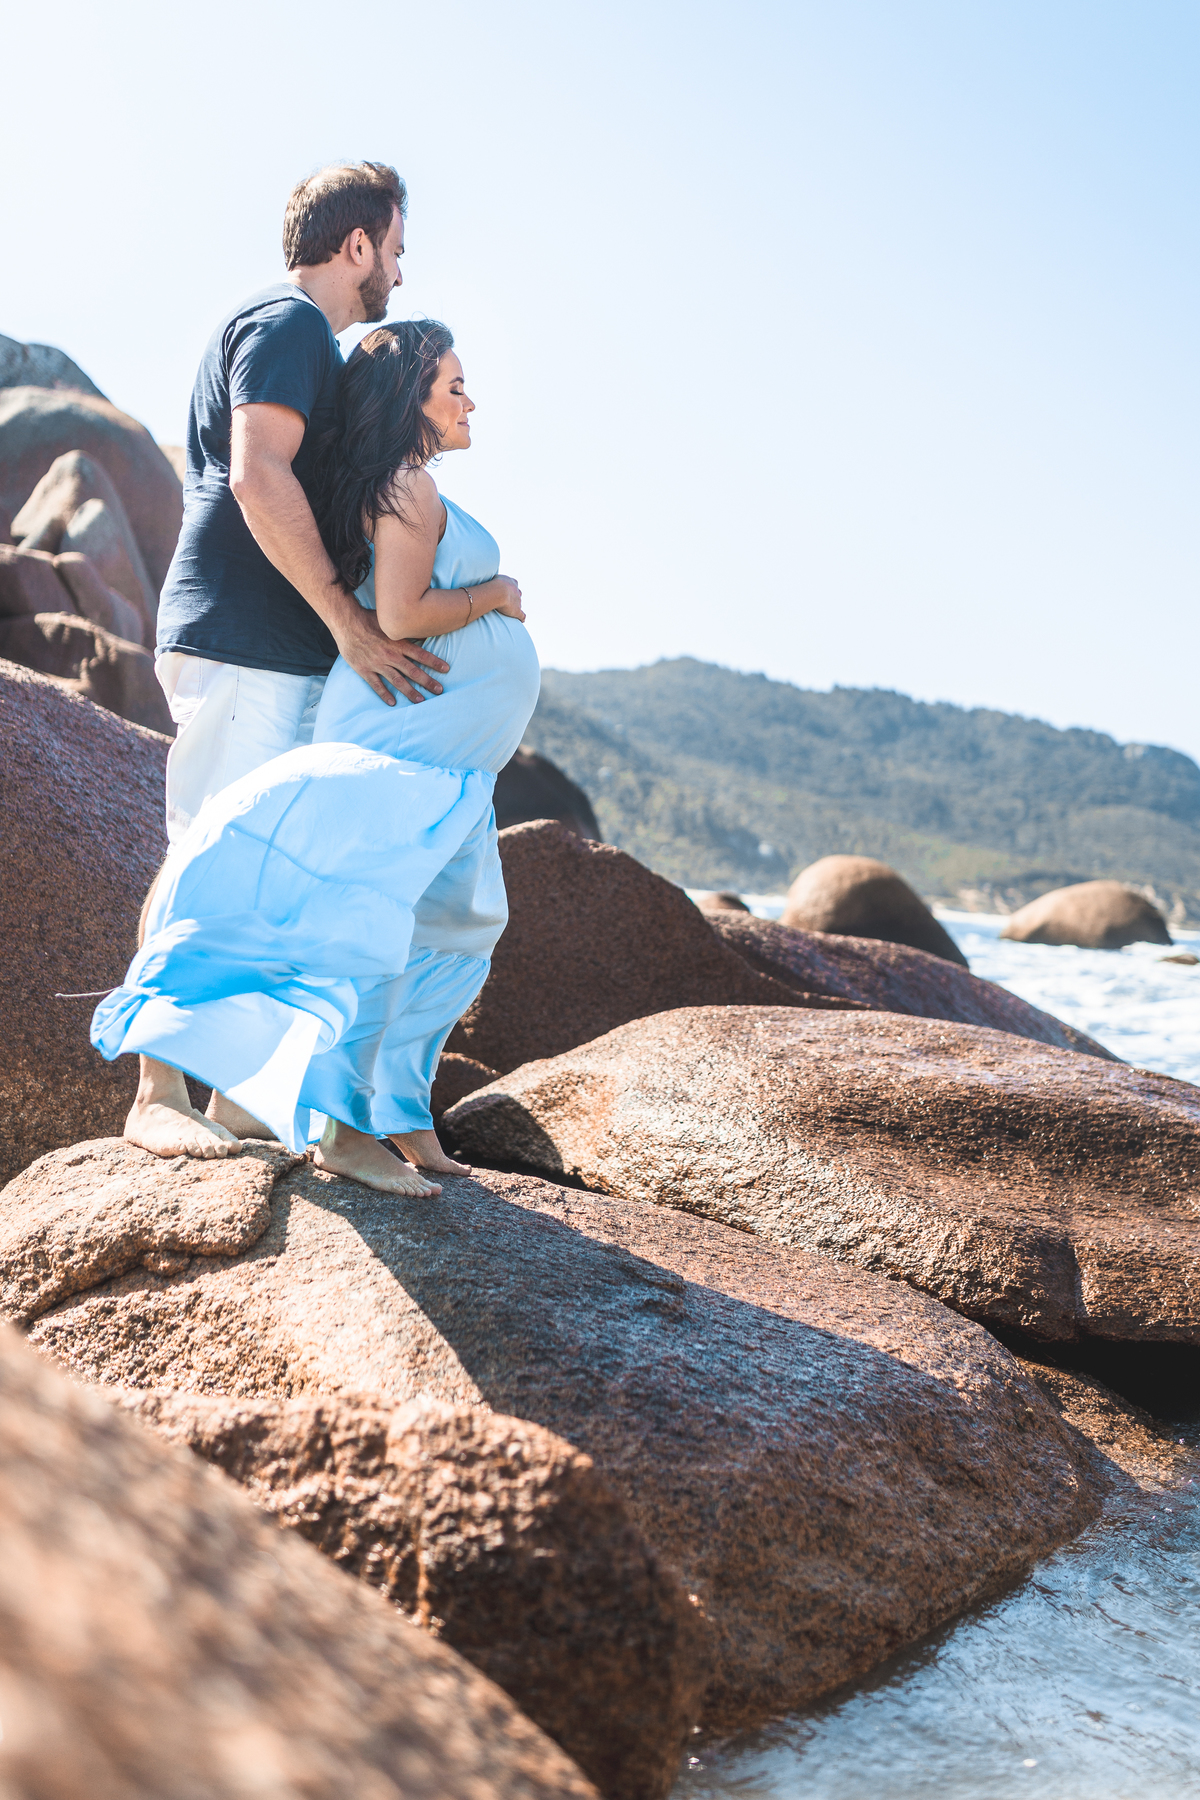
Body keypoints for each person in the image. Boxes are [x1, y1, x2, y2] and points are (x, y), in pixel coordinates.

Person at [93, 322, 537, 1197]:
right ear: (413, 398)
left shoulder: (408, 484)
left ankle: (395, 1107)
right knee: (366, 916)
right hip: (404, 740)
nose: (469, 399)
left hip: (443, 755)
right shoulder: (403, 484)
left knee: (457, 919)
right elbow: (405, 616)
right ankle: (336, 1125)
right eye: (454, 384)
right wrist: (497, 596)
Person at [129, 160, 453, 1161]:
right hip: (241, 634)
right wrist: (344, 620)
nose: (397, 272)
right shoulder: (290, 323)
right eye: (393, 251)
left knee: (263, 865)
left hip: (262, 640)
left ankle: (228, 1097)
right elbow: (258, 471)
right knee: (210, 849)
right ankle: (153, 1092)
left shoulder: (297, 336)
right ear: (355, 245)